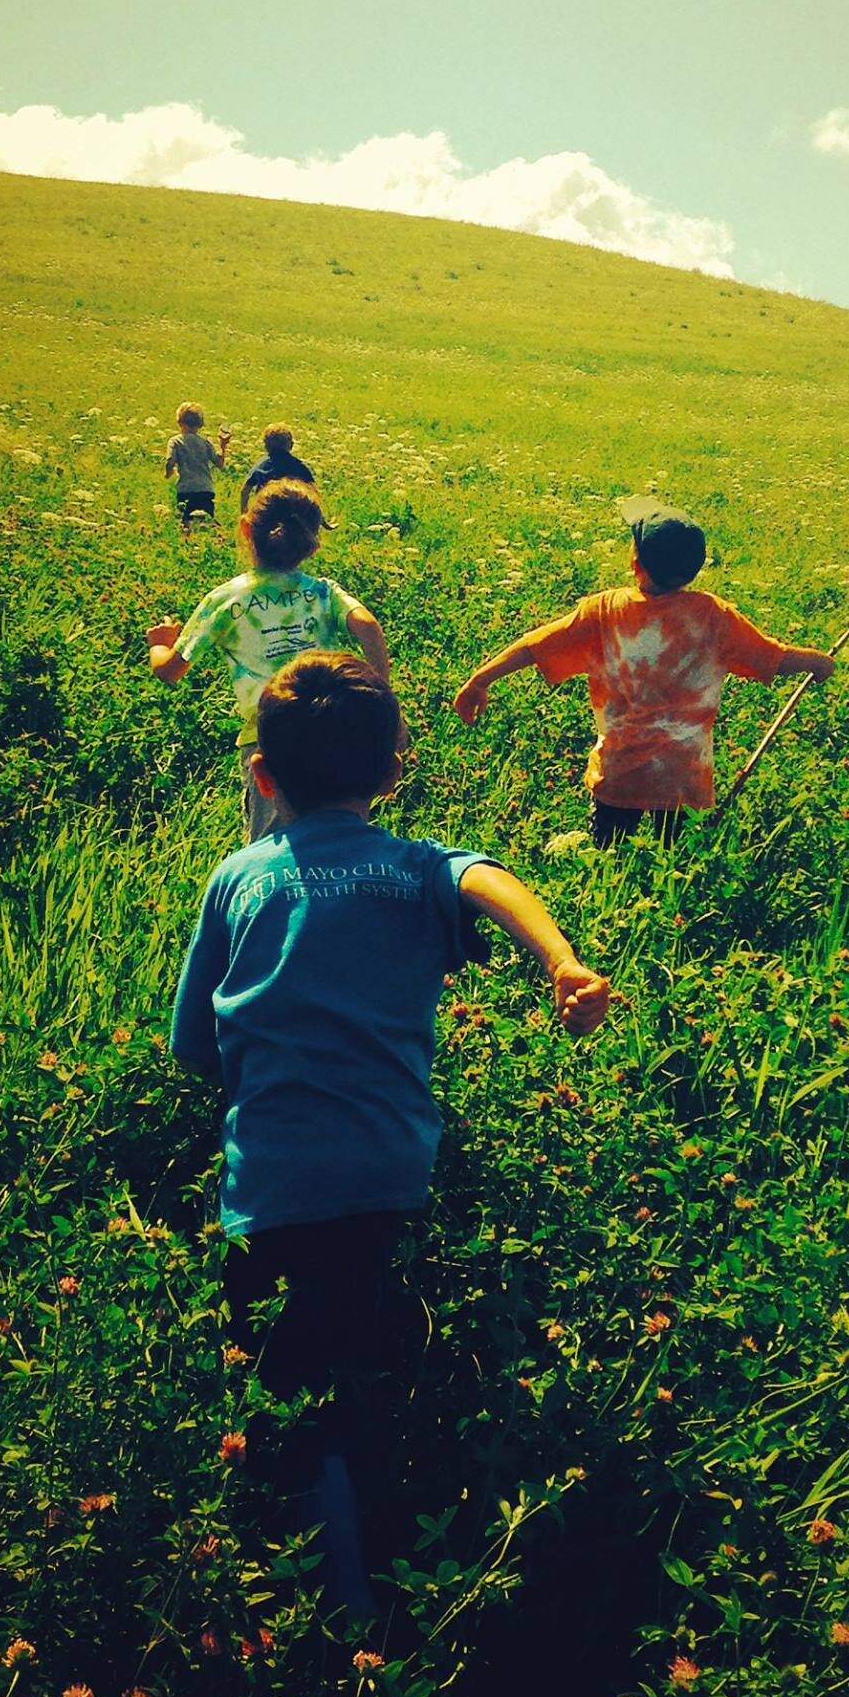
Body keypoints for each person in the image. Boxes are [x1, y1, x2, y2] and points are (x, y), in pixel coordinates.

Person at [170, 651, 612, 1611]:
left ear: (262, 778)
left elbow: (193, 1048)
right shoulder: (415, 869)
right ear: (393, 774)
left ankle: (336, 1604)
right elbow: (484, 878)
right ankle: (404, 1486)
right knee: (353, 1324)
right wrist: (563, 962)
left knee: (285, 1385)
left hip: (275, 1179)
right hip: (389, 1163)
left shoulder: (236, 878)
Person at [453, 495, 837, 847]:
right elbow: (773, 657)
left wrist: (480, 679)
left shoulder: (603, 612)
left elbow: (535, 646)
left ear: (634, 561)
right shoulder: (714, 617)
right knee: (676, 865)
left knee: (611, 857)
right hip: (684, 781)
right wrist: (816, 662)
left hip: (618, 778)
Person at [148, 485, 389, 841]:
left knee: (274, 841)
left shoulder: (227, 599)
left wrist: (159, 644)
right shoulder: (323, 592)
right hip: (336, 726)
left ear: (246, 529)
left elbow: (170, 671)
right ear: (313, 543)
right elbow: (368, 626)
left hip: (271, 735)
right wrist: (381, 701)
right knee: (340, 832)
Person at [164, 403, 230, 532]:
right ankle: (215, 543)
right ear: (200, 424)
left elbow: (170, 461)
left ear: (179, 422)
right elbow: (219, 464)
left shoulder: (175, 441)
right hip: (206, 488)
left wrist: (168, 473)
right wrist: (223, 446)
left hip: (186, 489)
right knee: (207, 522)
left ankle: (187, 547)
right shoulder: (205, 442)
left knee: (186, 525)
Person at [238, 423, 316, 510]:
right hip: (292, 513)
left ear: (266, 446)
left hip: (265, 511)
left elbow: (245, 490)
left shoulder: (261, 466)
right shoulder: (299, 466)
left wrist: (245, 515)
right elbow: (313, 494)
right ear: (291, 445)